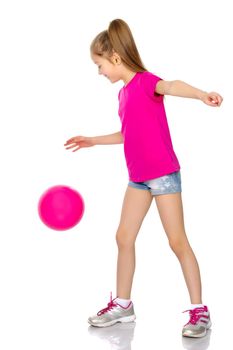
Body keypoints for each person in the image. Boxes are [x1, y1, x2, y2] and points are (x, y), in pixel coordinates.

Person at [64, 19, 223, 337]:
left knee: (177, 241)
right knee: (123, 237)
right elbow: (128, 134)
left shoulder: (146, 81)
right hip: (138, 179)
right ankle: (123, 306)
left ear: (115, 58)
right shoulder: (122, 96)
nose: (100, 72)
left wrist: (201, 94)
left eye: (99, 65)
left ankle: (199, 311)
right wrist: (93, 140)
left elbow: (172, 85)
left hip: (163, 174)